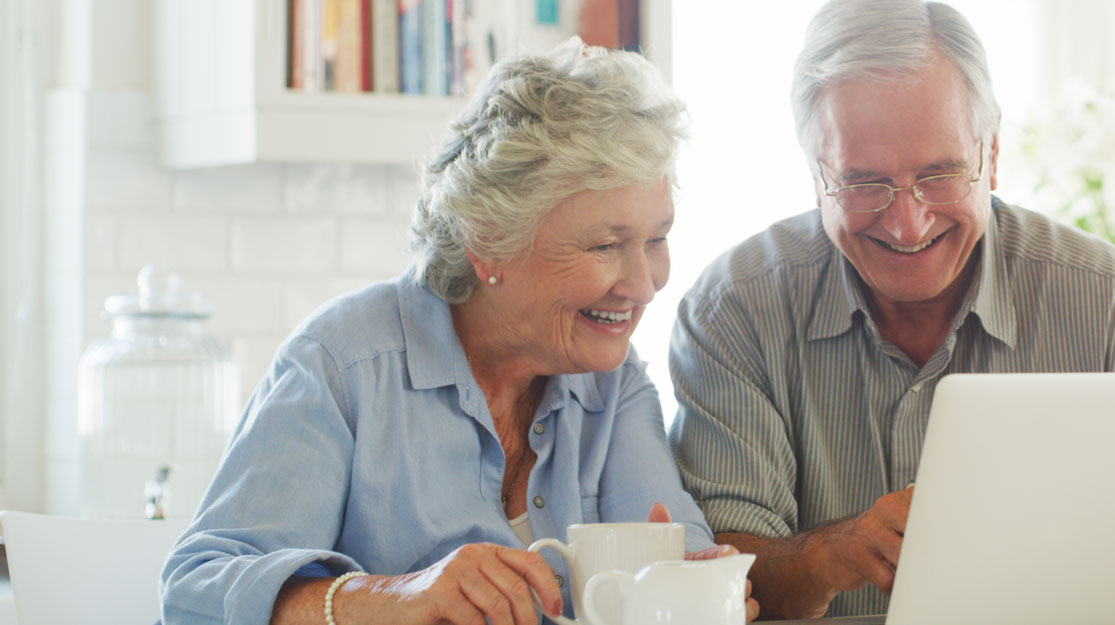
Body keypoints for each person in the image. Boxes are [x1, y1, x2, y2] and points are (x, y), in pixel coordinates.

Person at [668, 0, 1115, 618]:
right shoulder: (735, 311)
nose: (908, 225)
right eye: (864, 182)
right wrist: (831, 555)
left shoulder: (1108, 302)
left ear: (992, 155)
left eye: (939, 173)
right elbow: (725, 574)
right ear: (815, 173)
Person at [162, 40, 757, 624]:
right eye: (605, 244)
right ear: (488, 241)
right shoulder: (343, 366)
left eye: (657, 239)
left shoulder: (614, 387)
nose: (645, 282)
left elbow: (674, 572)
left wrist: (703, 587)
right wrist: (394, 596)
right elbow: (195, 593)